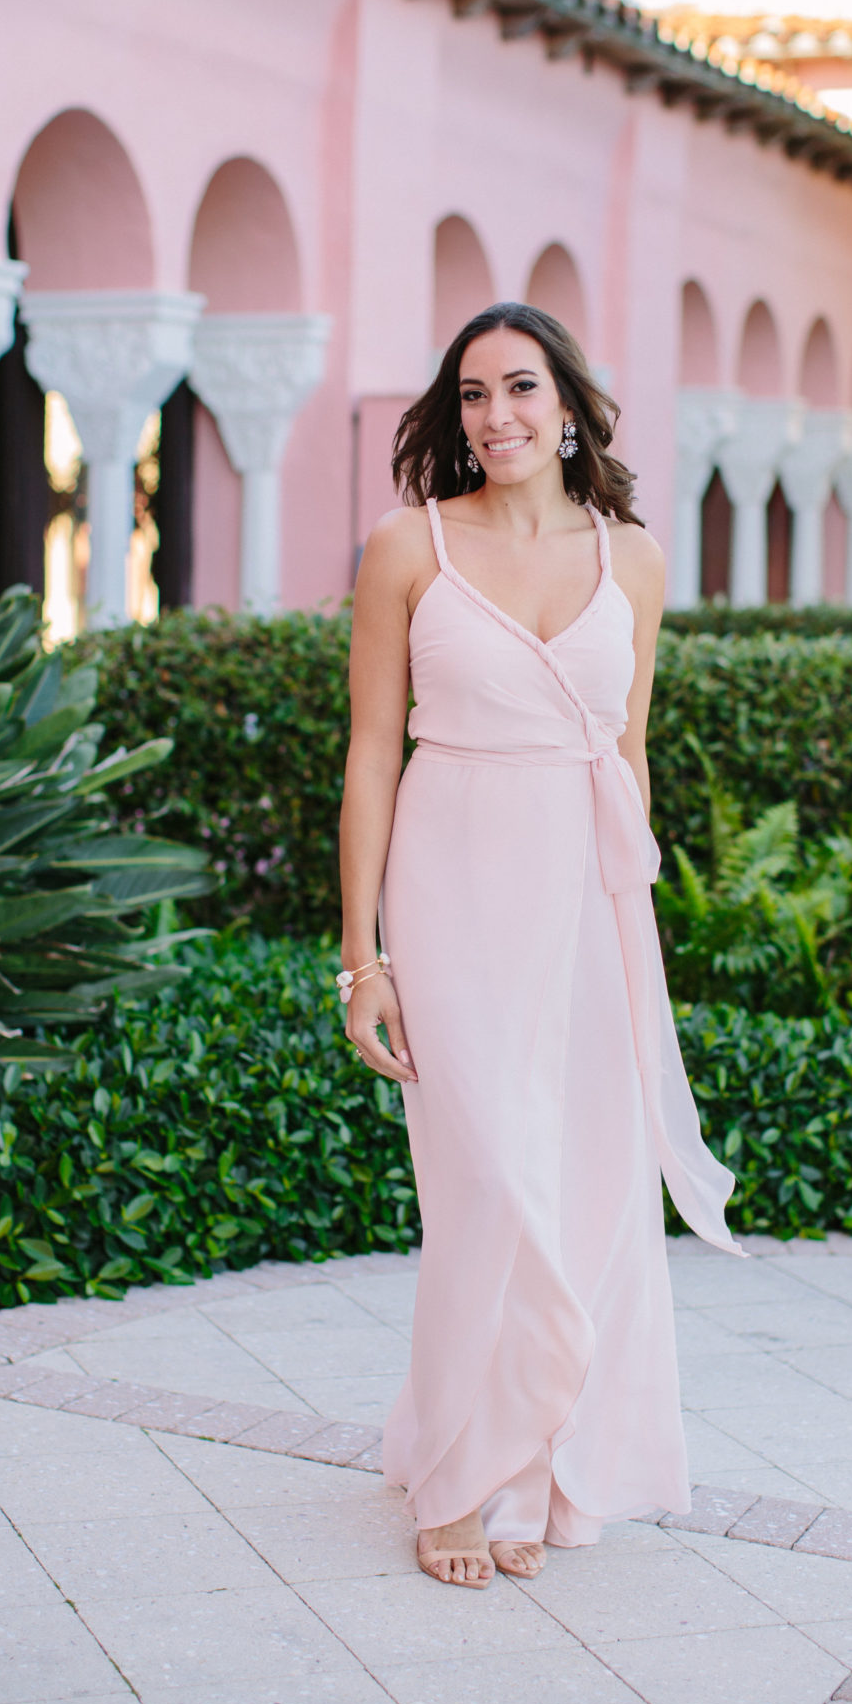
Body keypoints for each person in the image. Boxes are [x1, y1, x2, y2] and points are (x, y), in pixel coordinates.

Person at [338, 302, 739, 1591]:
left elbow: (626, 753)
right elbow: (368, 756)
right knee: (487, 1183)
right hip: (451, 886)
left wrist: (635, 932)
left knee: (580, 1187)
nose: (494, 417)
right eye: (469, 396)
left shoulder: (635, 561)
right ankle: (462, 1473)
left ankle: (539, 1467)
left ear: (569, 405)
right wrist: (365, 956)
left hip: (586, 896)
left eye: (519, 389)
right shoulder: (409, 547)